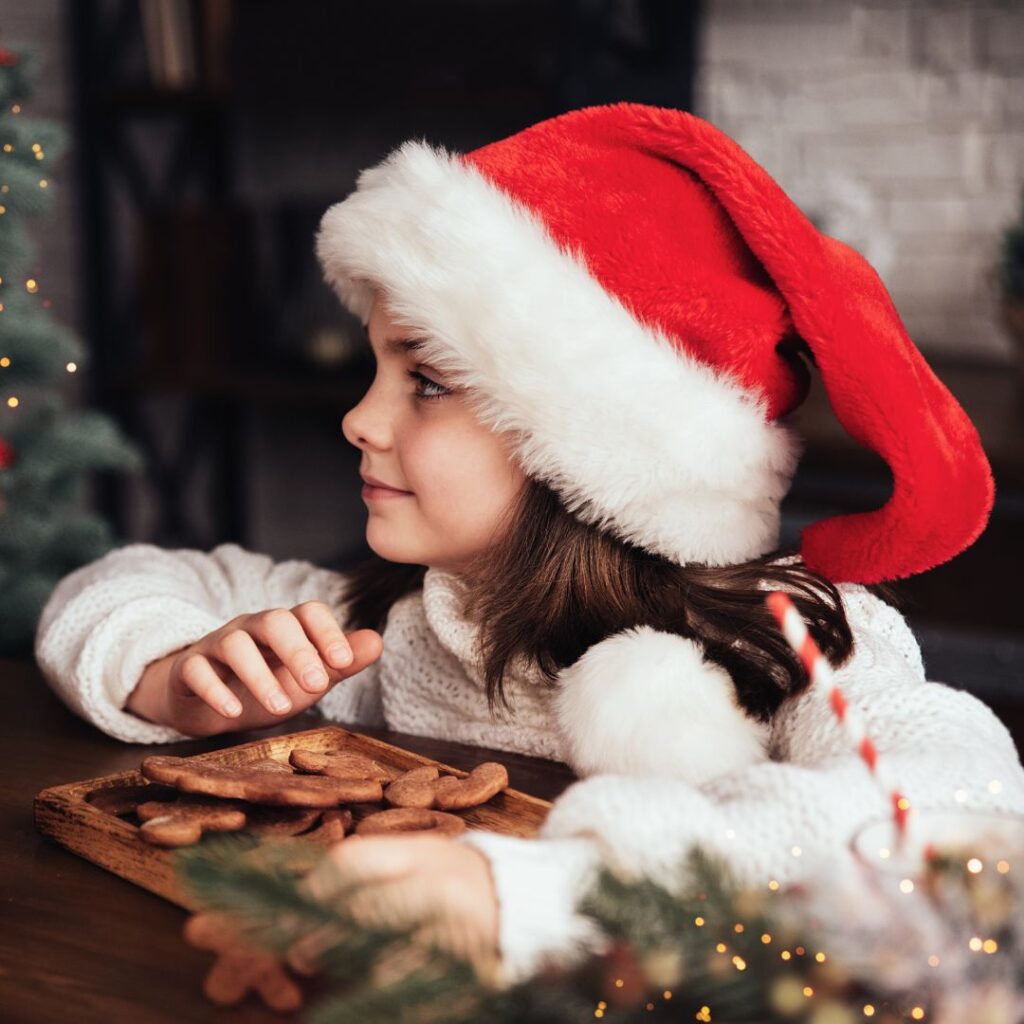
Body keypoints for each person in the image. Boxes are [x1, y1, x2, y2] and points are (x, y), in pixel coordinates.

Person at [35, 102, 1024, 989]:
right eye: (375, 368)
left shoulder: (799, 641)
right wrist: (166, 668)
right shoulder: (405, 619)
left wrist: (527, 895)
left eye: (424, 380)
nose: (357, 420)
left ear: (585, 441)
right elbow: (126, 579)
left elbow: (947, 811)